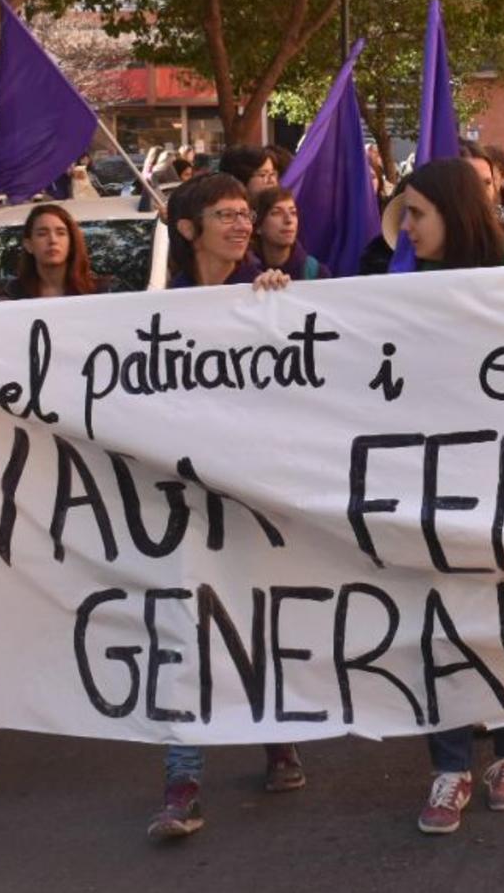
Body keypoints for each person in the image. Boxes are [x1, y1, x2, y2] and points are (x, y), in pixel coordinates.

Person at [370, 156, 504, 834]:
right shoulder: (395, 277)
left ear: (454, 214)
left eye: (419, 215)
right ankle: (451, 764)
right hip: (430, 482)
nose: (408, 229)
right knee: (440, 625)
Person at [149, 173, 306, 839]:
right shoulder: (157, 307)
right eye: (226, 215)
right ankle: (183, 782)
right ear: (189, 229)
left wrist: (278, 309)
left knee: (257, 624)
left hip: (255, 497)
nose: (243, 225)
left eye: (247, 214)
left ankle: (276, 740)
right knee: (185, 634)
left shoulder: (270, 294)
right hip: (182, 502)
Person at [9, 203, 101, 298]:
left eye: (61, 233)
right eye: (42, 234)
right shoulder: (13, 294)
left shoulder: (100, 291)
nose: (53, 240)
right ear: (29, 245)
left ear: (71, 242)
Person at [251, 185, 332, 280]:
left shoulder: (316, 273)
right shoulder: (247, 270)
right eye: (277, 213)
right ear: (258, 226)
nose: (288, 220)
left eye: (293, 213)